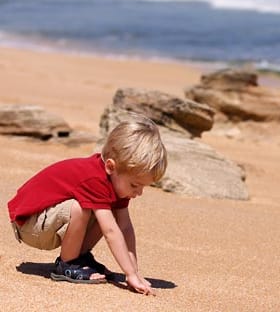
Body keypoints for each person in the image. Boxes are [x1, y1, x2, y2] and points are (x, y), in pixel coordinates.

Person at [7, 113, 167, 295]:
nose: (139, 192)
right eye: (135, 185)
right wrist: (128, 273)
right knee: (80, 208)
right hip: (28, 223)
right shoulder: (95, 179)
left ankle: (79, 256)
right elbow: (111, 232)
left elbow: (125, 227)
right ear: (110, 167)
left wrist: (134, 272)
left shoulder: (116, 181)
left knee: (108, 212)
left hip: (46, 220)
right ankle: (67, 264)